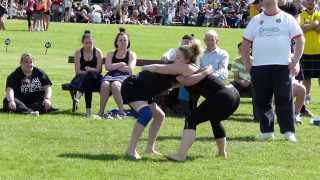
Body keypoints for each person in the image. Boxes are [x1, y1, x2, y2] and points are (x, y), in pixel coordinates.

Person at [121, 43, 202, 159]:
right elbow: (158, 68)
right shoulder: (182, 66)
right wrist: (147, 68)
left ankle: (149, 148)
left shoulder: (184, 67)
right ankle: (131, 149)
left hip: (146, 91)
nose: (176, 60)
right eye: (176, 56)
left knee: (159, 116)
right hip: (134, 87)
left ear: (187, 59)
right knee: (146, 114)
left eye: (179, 57)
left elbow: (166, 74)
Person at [241, 0, 305, 142]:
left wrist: (295, 60)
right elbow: (245, 44)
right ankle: (266, 132)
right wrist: (247, 63)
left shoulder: (287, 18)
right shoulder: (256, 20)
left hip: (282, 66)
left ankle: (288, 132)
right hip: (259, 66)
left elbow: (300, 40)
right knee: (262, 100)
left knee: (284, 99)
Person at [98, 28, 137, 118]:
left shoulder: (131, 54)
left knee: (115, 85)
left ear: (128, 42)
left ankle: (121, 111)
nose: (123, 42)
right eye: (120, 40)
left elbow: (130, 69)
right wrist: (121, 64)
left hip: (125, 77)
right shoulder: (111, 53)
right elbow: (107, 67)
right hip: (110, 75)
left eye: (125, 40)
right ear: (116, 42)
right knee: (105, 84)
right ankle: (101, 111)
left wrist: (114, 66)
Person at [70, 30, 103, 118]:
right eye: (86, 43)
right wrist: (88, 72)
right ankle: (88, 111)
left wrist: (91, 69)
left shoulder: (98, 52)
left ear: (93, 42)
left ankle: (79, 95)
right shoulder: (78, 53)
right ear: (82, 43)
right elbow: (78, 71)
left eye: (90, 43)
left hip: (96, 78)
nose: (88, 45)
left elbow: (99, 70)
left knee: (90, 76)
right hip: (81, 78)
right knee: (88, 78)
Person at [299, 0, 320, 106]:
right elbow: (301, 29)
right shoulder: (301, 15)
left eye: (313, 0)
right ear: (305, 3)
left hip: (319, 50)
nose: (310, 2)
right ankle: (307, 96)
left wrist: (308, 26)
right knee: (306, 77)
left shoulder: (319, 14)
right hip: (305, 50)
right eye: (308, 0)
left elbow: (319, 30)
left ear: (316, 2)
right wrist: (315, 23)